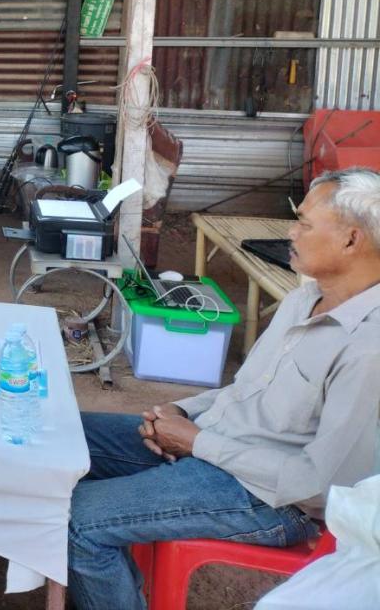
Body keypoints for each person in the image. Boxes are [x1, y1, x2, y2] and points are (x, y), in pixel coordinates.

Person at [67, 167, 380, 610]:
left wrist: (198, 443)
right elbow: (246, 388)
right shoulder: (304, 298)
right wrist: (179, 412)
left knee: (81, 521)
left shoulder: (369, 347)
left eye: (305, 224)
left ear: (351, 240)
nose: (291, 233)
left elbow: (320, 485)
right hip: (215, 443)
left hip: (270, 499)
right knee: (62, 434)